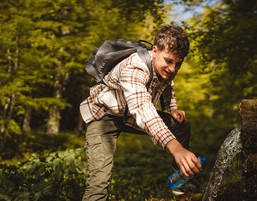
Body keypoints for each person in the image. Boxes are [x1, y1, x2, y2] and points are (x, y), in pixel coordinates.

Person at [80, 25, 202, 200]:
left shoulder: (167, 67)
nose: (173, 69)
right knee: (98, 184)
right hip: (104, 117)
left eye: (178, 63)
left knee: (181, 126)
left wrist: (172, 108)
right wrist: (176, 148)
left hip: (129, 116)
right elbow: (143, 109)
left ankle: (183, 186)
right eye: (168, 61)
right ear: (154, 51)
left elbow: (169, 86)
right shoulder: (134, 67)